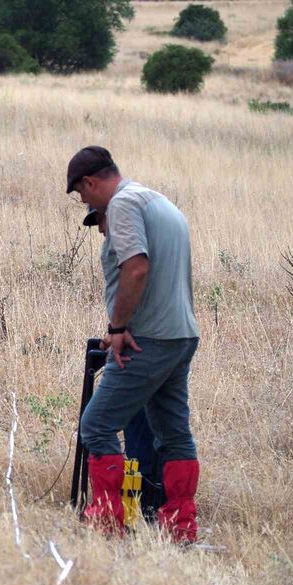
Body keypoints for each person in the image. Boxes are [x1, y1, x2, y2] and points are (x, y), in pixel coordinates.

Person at [68, 146, 200, 542]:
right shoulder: (158, 201)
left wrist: (118, 326)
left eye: (80, 194)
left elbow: (137, 267)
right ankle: (179, 526)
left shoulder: (122, 204)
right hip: (181, 335)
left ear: (90, 182)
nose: (84, 203)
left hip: (149, 340)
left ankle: (107, 524)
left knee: (96, 424)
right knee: (174, 434)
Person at [84, 207, 165, 521]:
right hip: (150, 343)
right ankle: (149, 505)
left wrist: (119, 332)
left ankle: (125, 510)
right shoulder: (131, 247)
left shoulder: (135, 251)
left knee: (107, 425)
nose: (101, 229)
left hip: (142, 349)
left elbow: (140, 296)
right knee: (155, 427)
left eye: (102, 221)